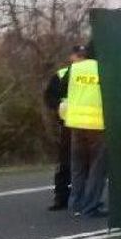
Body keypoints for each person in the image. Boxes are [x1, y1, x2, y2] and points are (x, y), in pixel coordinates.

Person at [60, 42, 108, 218]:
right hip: (98, 125)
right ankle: (91, 206)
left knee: (78, 166)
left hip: (75, 123)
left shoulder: (75, 68)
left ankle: (76, 203)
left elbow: (61, 89)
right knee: (97, 168)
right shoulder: (106, 69)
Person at [43, 58, 72, 211]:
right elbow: (49, 97)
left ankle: (65, 198)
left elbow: (49, 98)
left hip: (72, 123)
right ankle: (64, 197)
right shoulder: (62, 74)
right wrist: (60, 107)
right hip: (73, 124)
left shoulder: (63, 73)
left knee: (68, 163)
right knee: (67, 163)